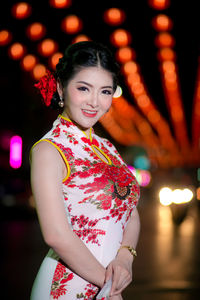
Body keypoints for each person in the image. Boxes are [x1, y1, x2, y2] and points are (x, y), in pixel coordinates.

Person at [30, 41, 140, 300]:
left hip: (109, 285)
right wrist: (109, 285)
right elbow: (56, 235)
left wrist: (125, 257)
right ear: (60, 87)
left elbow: (130, 212)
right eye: (83, 88)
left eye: (105, 91)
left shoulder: (106, 147)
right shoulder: (49, 150)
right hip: (67, 288)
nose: (94, 102)